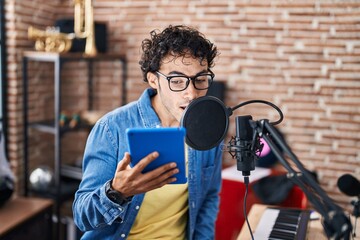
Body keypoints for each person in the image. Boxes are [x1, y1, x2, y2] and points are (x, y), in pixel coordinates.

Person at [73, 25, 223, 240]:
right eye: (177, 80)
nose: (192, 94)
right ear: (154, 80)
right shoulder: (111, 128)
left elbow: (208, 200)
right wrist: (117, 192)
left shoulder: (209, 128)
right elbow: (82, 217)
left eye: (200, 79)